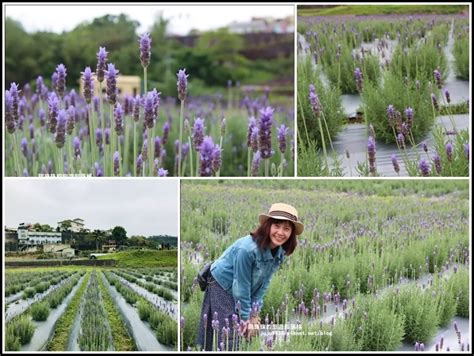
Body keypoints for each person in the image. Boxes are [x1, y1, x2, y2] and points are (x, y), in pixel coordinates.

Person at [196, 203, 304, 351]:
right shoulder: (247, 249)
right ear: (268, 226)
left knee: (243, 330)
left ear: (291, 233)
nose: (280, 232)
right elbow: (241, 286)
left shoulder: (279, 252)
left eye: (287, 228)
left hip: (241, 286)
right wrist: (246, 317)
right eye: (277, 226)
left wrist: (254, 313)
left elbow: (263, 285)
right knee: (229, 334)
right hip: (222, 283)